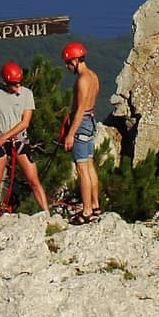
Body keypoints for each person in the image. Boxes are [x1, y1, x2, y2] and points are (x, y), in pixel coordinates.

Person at [0, 61, 49, 218]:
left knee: (33, 180)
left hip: (18, 141)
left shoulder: (27, 94)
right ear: (5, 82)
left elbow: (25, 122)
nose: (17, 87)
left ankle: (46, 215)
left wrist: (4, 137)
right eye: (14, 84)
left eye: (19, 83)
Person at [61, 42, 101, 222]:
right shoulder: (94, 76)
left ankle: (86, 211)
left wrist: (70, 134)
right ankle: (95, 205)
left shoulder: (83, 79)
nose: (68, 66)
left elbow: (80, 109)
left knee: (81, 167)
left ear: (76, 60)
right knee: (90, 165)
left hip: (82, 122)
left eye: (69, 63)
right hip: (90, 121)